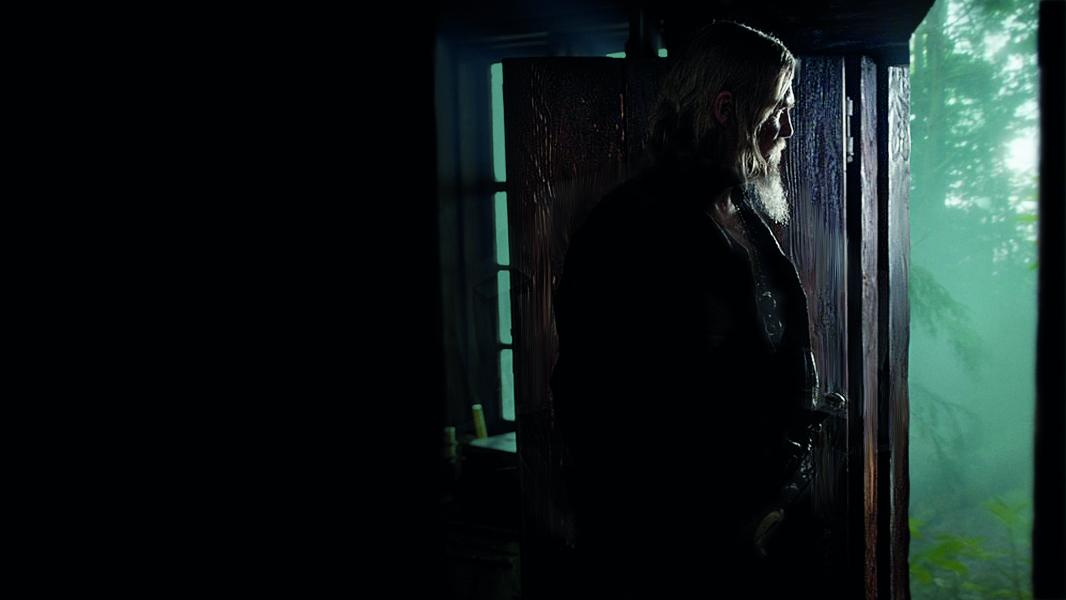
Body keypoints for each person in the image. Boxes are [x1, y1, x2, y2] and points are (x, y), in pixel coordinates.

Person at [550, 21, 830, 598]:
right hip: (679, 553)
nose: (787, 128)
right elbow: (593, 407)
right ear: (726, 110)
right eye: (778, 108)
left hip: (760, 534)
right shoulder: (631, 227)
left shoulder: (742, 213)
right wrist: (701, 529)